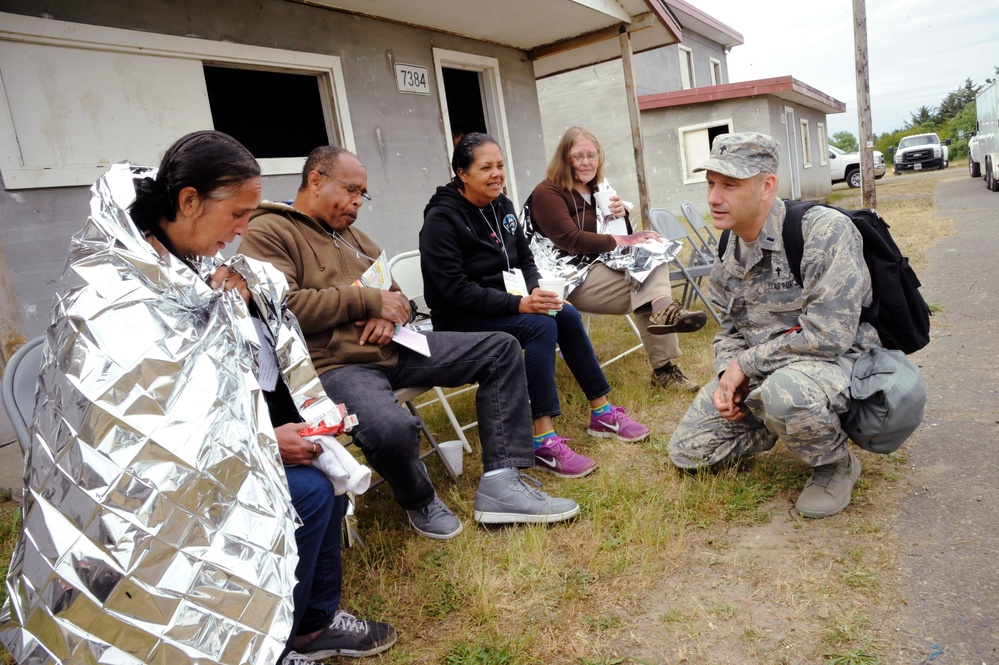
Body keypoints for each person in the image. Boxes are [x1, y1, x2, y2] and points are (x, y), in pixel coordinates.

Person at [0, 131, 395, 665]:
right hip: (128, 497)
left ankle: (307, 625)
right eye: (237, 215)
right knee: (307, 492)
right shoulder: (115, 290)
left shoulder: (183, 262)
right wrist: (263, 444)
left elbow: (209, 383)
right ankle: (269, 645)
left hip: (206, 457)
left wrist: (249, 295)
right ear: (188, 201)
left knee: (323, 478)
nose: (241, 232)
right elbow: (137, 435)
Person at [239, 146, 579, 542]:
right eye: (351, 191)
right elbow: (282, 305)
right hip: (337, 365)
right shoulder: (269, 232)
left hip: (397, 347)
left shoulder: (354, 238)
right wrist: (368, 302)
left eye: (362, 195)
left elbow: (399, 297)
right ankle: (419, 498)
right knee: (391, 427)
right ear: (316, 180)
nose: (357, 204)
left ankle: (503, 482)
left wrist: (388, 314)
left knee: (501, 348)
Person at [668, 132, 882, 519]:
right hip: (766, 370)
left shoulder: (821, 232)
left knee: (788, 392)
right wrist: (727, 376)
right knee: (689, 452)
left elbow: (828, 336)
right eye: (711, 183)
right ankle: (776, 420)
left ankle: (833, 463)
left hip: (839, 364)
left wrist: (745, 366)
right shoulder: (727, 247)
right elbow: (729, 330)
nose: (714, 197)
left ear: (767, 185)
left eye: (729, 184)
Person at [420, 132, 651, 481]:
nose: (497, 173)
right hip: (461, 317)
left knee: (564, 312)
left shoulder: (502, 206)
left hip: (507, 302)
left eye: (500, 165)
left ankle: (601, 412)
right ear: (462, 174)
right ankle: (542, 439)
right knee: (540, 325)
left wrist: (537, 292)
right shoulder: (441, 220)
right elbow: (453, 290)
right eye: (486, 167)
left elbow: (525, 259)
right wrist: (521, 304)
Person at [528, 126, 707, 390]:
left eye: (592, 155)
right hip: (566, 282)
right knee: (646, 283)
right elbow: (571, 240)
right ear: (565, 158)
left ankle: (663, 320)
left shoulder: (598, 188)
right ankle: (664, 345)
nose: (587, 161)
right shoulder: (548, 192)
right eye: (579, 156)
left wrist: (621, 216)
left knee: (652, 254)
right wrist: (628, 240)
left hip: (601, 268)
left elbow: (619, 242)